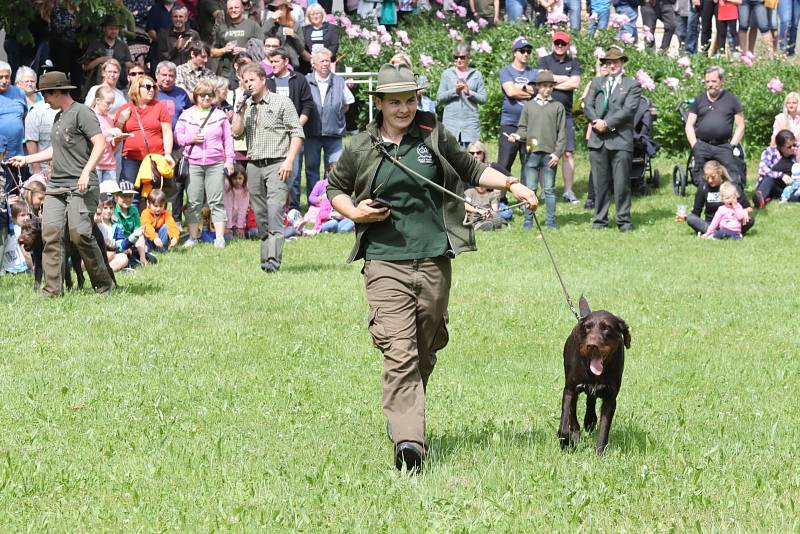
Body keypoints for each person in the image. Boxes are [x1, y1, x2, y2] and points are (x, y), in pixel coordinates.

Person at [326, 64, 538, 472]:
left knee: (425, 349)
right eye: (395, 102)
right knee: (399, 351)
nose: (404, 108)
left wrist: (513, 184)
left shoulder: (431, 133)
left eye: (410, 100)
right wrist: (355, 212)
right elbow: (335, 187)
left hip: (435, 258)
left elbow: (472, 170)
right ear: (379, 103)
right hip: (385, 259)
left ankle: (404, 412)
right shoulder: (360, 146)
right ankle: (410, 444)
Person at [8, 71, 115, 296]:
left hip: (81, 185)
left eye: (46, 95)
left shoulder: (82, 113)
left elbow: (99, 144)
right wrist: (26, 159)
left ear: (56, 91)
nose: (44, 100)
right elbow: (56, 150)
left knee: (80, 234)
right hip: (56, 186)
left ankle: (104, 285)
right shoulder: (58, 117)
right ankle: (52, 291)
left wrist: (86, 172)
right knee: (51, 234)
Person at [232, 62, 304, 273]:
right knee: (260, 215)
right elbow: (236, 132)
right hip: (254, 165)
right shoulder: (248, 107)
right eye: (245, 81)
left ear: (263, 80)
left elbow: (297, 133)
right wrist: (239, 109)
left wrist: (289, 161)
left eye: (252, 80)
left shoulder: (281, 102)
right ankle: (265, 262)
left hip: (277, 164)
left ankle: (273, 262)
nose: (248, 85)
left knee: (274, 212)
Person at [584, 46, 641, 232]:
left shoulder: (632, 85)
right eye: (608, 62)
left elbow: (628, 110)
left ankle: (623, 220)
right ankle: (600, 219)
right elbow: (587, 104)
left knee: (621, 183)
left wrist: (607, 124)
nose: (612, 65)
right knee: (599, 183)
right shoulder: (596, 82)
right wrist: (595, 121)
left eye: (615, 62)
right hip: (598, 139)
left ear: (622, 63)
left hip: (620, 139)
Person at [175, 79, 235, 248]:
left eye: (209, 95)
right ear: (196, 96)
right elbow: (178, 136)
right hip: (193, 163)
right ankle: (193, 237)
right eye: (202, 95)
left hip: (215, 163)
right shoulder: (186, 115)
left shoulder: (220, 115)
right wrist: (190, 139)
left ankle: (219, 237)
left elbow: (228, 140)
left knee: (216, 200)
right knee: (193, 201)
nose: (206, 98)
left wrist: (229, 160)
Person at [509, 70, 566, 230]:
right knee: (530, 189)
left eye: (550, 86)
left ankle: (550, 223)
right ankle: (528, 221)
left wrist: (557, 153)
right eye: (543, 86)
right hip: (532, 151)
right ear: (538, 87)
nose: (547, 89)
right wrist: (517, 136)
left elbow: (562, 132)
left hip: (550, 154)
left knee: (549, 190)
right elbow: (523, 129)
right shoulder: (529, 106)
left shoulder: (557, 107)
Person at [304, 48, 354, 209]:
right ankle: (315, 203)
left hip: (334, 133)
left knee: (336, 169)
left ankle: (336, 203)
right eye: (322, 61)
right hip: (312, 132)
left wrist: (333, 114)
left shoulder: (339, 82)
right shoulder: (306, 80)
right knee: (311, 169)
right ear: (314, 63)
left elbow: (347, 104)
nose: (325, 64)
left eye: (328, 61)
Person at [266, 47, 314, 211]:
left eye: (276, 61)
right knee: (275, 173)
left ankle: (293, 208)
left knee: (293, 173)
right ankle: (276, 208)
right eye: (271, 62)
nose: (272, 65)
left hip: (294, 134)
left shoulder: (299, 79)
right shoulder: (267, 81)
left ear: (286, 61)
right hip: (272, 136)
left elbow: (307, 104)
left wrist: (296, 126)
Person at [114, 74, 174, 202]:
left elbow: (167, 132)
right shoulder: (125, 109)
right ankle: (134, 222)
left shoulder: (159, 107)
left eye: (153, 87)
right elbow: (116, 136)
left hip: (154, 159)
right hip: (131, 159)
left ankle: (151, 222)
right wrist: (121, 120)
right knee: (130, 196)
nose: (151, 89)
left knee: (154, 197)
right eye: (147, 87)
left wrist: (168, 154)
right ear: (136, 88)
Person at [538, 31, 581, 204]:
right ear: (553, 43)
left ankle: (568, 191)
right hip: (545, 113)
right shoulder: (544, 60)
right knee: (543, 152)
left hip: (566, 115)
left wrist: (553, 82)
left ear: (568, 45)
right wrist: (564, 79)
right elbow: (542, 82)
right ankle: (545, 190)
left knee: (568, 153)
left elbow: (575, 83)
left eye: (563, 43)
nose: (560, 46)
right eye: (557, 43)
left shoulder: (574, 63)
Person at [685, 66, 746, 186]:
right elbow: (689, 125)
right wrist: (695, 145)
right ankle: (704, 194)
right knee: (699, 176)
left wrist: (732, 145)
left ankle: (734, 196)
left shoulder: (732, 99)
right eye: (707, 81)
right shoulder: (699, 100)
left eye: (713, 81)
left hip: (723, 145)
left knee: (733, 174)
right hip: (702, 144)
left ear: (722, 81)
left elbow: (741, 125)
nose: (710, 84)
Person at [498, 38, 538, 184]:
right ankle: (500, 199)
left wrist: (519, 88)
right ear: (515, 53)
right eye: (522, 51)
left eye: (528, 51)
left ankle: (526, 199)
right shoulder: (506, 71)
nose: (526, 54)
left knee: (529, 163)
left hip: (531, 126)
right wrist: (528, 90)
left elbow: (537, 92)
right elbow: (510, 92)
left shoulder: (535, 72)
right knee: (504, 163)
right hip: (509, 123)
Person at [676, 159, 754, 235]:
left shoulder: (731, 186)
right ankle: (715, 232)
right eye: (707, 177)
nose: (709, 180)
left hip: (730, 222)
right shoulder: (703, 186)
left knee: (750, 220)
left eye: (713, 177)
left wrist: (745, 212)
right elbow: (696, 212)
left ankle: (721, 232)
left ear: (719, 173)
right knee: (691, 218)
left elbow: (749, 208)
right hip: (710, 223)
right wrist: (686, 217)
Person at [436, 44, 487, 150]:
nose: (459, 60)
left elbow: (483, 99)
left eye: (462, 57)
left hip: (470, 124)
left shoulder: (476, 74)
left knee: (471, 157)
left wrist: (470, 93)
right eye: (456, 57)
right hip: (451, 124)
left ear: (468, 57)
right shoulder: (447, 74)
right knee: (451, 157)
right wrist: (455, 91)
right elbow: (440, 97)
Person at [211, 0, 264, 81]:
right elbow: (212, 52)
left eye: (236, 7)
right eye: (231, 8)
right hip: (226, 74)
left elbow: (262, 50)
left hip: (248, 73)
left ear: (242, 9)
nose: (234, 10)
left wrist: (244, 50)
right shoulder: (221, 28)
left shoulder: (253, 26)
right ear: (227, 11)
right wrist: (224, 50)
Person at [80, 15, 134, 94]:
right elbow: (85, 67)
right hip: (99, 87)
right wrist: (100, 60)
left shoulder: (123, 45)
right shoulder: (95, 45)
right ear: (104, 29)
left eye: (116, 29)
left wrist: (133, 65)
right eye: (111, 28)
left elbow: (128, 64)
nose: (114, 31)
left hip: (120, 87)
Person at [93, 85, 129, 183]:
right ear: (98, 100)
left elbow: (110, 144)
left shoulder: (109, 119)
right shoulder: (90, 116)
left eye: (112, 104)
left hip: (109, 163)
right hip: (95, 164)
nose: (110, 107)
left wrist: (116, 139)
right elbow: (92, 138)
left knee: (109, 197)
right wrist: (108, 132)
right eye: (108, 103)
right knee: (96, 196)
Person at [111, 180, 150, 267]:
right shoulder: (112, 211)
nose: (128, 199)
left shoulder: (134, 210)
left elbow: (139, 234)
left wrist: (142, 257)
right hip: (116, 246)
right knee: (127, 260)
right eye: (124, 196)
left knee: (151, 259)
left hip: (131, 244)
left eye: (130, 196)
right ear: (116, 196)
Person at [24, 87, 60, 176]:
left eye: (46, 96)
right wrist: (37, 171)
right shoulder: (36, 111)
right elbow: (31, 141)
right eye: (43, 95)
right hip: (43, 168)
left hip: (66, 167)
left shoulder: (72, 111)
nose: (45, 100)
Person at [263, 0, 305, 71]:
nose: (279, 11)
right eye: (276, 9)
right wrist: (272, 19)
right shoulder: (271, 25)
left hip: (292, 63)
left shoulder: (295, 25)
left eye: (282, 8)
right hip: (274, 62)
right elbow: (263, 33)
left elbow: (301, 49)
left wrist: (294, 35)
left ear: (287, 10)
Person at [0, 61, 28, 163]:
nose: (4, 81)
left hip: (17, 156)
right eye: (0, 77)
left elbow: (25, 117)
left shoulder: (19, 93)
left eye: (7, 77)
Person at [94, 195, 130, 271]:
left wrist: (124, 247)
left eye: (111, 208)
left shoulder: (117, 225)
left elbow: (119, 241)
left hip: (110, 255)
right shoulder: (96, 224)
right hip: (97, 254)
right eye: (105, 208)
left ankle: (105, 271)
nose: (108, 211)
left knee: (123, 258)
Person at [301, 4, 340, 69]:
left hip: (327, 63)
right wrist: (312, 59)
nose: (315, 16)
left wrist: (323, 59)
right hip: (309, 63)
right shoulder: (304, 30)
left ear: (322, 15)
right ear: (309, 17)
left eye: (317, 13)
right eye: (312, 14)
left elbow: (334, 45)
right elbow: (301, 47)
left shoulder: (332, 28)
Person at [223, 164, 250, 238]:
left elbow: (243, 209)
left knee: (240, 237)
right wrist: (228, 226)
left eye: (240, 178)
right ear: (230, 178)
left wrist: (240, 226)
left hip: (237, 221)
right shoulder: (227, 187)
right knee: (227, 237)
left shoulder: (245, 190)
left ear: (244, 179)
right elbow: (227, 208)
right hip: (226, 221)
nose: (237, 181)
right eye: (234, 178)